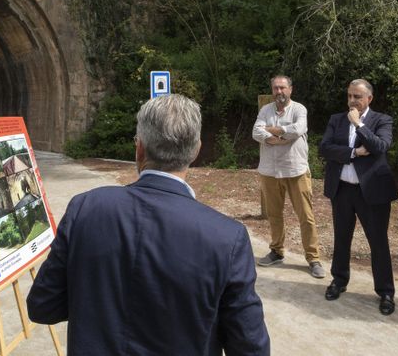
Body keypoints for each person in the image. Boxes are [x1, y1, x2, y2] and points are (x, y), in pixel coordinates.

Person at [27, 94, 270, 355]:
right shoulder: (227, 238)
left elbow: (43, 305)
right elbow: (250, 347)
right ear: (196, 150)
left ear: (139, 148)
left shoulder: (85, 208)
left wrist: (95, 303)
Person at [319, 79, 398, 315]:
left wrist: (359, 125)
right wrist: (353, 152)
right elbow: (324, 148)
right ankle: (339, 280)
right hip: (342, 189)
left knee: (378, 242)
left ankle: (385, 292)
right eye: (350, 96)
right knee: (341, 237)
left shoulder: (382, 120)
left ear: (369, 99)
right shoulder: (336, 119)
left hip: (372, 192)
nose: (352, 100)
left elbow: (380, 146)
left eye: (358, 97)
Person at [252, 75, 324, 279]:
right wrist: (279, 137)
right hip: (269, 172)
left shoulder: (299, 109)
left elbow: (298, 130)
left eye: (282, 88)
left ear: (290, 89)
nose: (279, 92)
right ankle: (276, 251)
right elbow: (255, 132)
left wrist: (274, 132)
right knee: (274, 215)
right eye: (275, 88)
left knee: (306, 216)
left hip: (296, 170)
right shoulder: (265, 110)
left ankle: (313, 258)